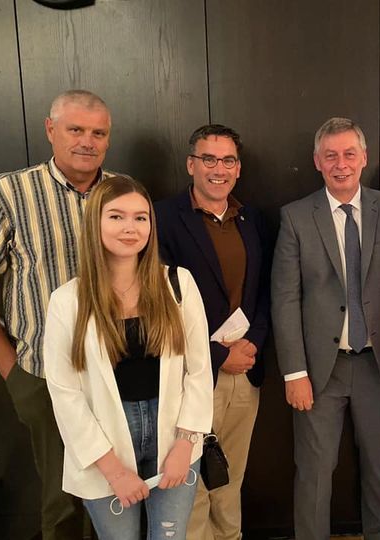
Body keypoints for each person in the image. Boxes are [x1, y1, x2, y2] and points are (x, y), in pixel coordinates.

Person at [0, 89, 113, 539]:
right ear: (51, 130)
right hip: (44, 377)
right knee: (62, 502)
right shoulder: (9, 193)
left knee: (115, 496)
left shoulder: (122, 191)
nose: (87, 141)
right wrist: (12, 373)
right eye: (75, 129)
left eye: (98, 133)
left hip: (117, 373)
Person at [271, 117, 380, 540]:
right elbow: (284, 298)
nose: (341, 164)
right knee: (314, 471)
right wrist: (294, 372)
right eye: (331, 155)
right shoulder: (296, 216)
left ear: (364, 157)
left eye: (349, 154)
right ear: (317, 161)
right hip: (320, 369)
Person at [43, 175, 214, 539]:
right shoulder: (67, 301)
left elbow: (199, 369)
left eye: (140, 217)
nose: (130, 227)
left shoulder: (177, 284)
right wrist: (114, 470)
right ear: (95, 223)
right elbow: (65, 393)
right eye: (116, 216)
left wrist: (186, 444)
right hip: (105, 445)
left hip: (174, 436)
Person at [155, 124, 270, 540]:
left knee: (230, 477)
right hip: (192, 373)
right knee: (193, 482)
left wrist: (252, 342)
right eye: (209, 159)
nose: (218, 169)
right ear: (191, 164)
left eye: (228, 160)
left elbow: (264, 291)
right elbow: (159, 303)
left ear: (238, 168)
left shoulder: (252, 219)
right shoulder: (162, 218)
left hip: (245, 372)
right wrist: (220, 354)